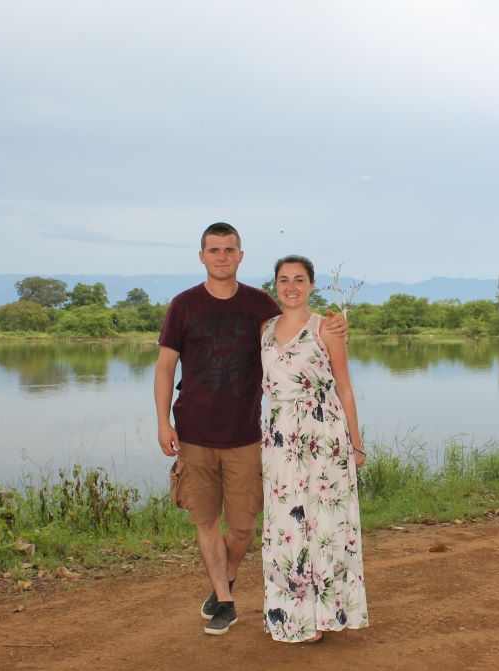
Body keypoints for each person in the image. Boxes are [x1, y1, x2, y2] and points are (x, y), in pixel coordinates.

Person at [155, 223, 346, 636]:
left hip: (246, 434)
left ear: (240, 256)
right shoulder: (183, 305)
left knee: (242, 527)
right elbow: (166, 365)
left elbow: (300, 332)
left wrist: (336, 326)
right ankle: (224, 600)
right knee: (205, 520)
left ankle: (226, 576)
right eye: (214, 250)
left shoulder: (261, 306)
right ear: (202, 256)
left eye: (229, 250)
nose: (221, 256)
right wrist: (162, 421)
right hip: (192, 432)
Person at [259, 255, 368, 643]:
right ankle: (291, 615)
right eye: (284, 279)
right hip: (279, 440)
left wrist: (357, 444)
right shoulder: (265, 329)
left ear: (311, 284)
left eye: (299, 279)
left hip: (322, 437)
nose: (291, 286)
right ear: (275, 285)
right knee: (286, 525)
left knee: (323, 525)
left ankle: (324, 615)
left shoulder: (327, 328)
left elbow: (345, 387)